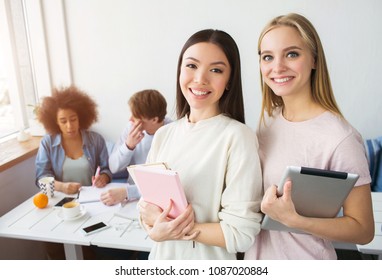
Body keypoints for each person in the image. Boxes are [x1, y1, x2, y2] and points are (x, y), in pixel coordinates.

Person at [244, 13, 374, 260]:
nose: (277, 67)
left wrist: (296, 220)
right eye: (267, 57)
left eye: (292, 54)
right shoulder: (267, 122)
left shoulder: (340, 137)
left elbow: (363, 229)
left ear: (314, 59)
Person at [138, 29, 263, 260]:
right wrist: (154, 225)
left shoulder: (237, 137)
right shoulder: (164, 134)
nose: (200, 79)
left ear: (229, 81)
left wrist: (172, 229)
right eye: (192, 66)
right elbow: (146, 207)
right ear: (179, 71)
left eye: (216, 70)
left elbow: (240, 233)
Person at [35, 85, 112, 259]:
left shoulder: (95, 140)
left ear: (81, 117)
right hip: (60, 205)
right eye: (63, 121)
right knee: (53, 245)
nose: (70, 126)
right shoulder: (47, 143)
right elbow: (41, 178)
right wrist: (62, 186)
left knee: (91, 247)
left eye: (73, 119)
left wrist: (104, 178)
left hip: (91, 203)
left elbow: (106, 168)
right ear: (55, 122)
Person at [102, 89, 172, 206]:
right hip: (131, 199)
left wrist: (128, 192)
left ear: (154, 119)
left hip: (158, 200)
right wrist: (128, 146)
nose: (130, 119)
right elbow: (113, 167)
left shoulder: (172, 133)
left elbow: (167, 185)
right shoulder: (131, 128)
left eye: (136, 116)